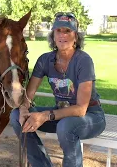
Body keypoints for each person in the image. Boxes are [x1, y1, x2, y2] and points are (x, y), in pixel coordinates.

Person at [9, 12, 106, 167]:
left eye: (67, 31)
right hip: (61, 114)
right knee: (15, 116)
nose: (63, 35)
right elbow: (28, 95)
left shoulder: (83, 60)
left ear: (76, 36)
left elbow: (81, 110)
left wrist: (45, 116)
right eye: (58, 30)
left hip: (91, 117)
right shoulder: (45, 60)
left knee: (65, 126)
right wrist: (23, 110)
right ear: (53, 35)